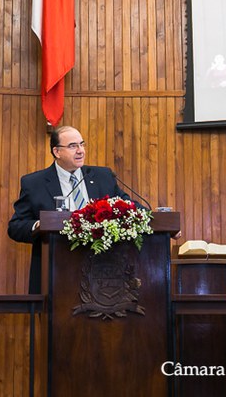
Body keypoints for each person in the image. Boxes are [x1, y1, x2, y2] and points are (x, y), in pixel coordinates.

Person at [7, 126, 133, 294]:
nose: (81, 151)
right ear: (57, 152)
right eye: (73, 146)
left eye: (82, 144)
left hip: (102, 274)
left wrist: (152, 217)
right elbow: (16, 226)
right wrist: (39, 225)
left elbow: (128, 206)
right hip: (55, 273)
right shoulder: (34, 183)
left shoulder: (103, 176)